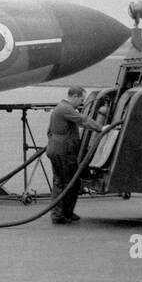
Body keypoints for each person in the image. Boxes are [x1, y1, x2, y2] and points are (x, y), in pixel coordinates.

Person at [47, 87, 102, 224]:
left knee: (61, 182)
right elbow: (82, 120)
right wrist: (101, 128)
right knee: (69, 182)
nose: (82, 102)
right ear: (75, 96)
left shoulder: (59, 108)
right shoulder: (66, 109)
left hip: (55, 150)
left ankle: (64, 212)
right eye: (82, 99)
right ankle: (60, 215)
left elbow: (49, 132)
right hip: (64, 152)